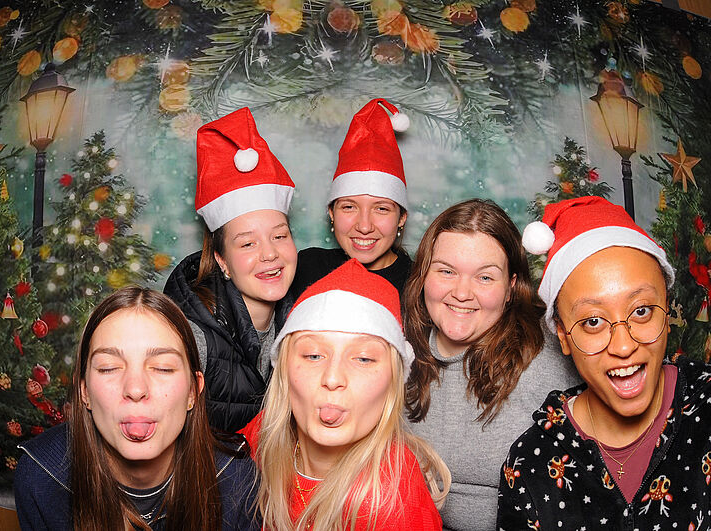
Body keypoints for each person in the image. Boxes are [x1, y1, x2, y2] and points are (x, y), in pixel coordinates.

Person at [498, 196, 711, 529]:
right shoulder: (530, 465)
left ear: (667, 310)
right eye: (593, 322)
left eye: (641, 311)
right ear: (563, 335)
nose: (624, 346)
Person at [14, 286, 260, 531]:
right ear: (85, 392)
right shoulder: (41, 477)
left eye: (163, 367)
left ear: (193, 391)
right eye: (108, 367)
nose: (135, 388)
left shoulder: (236, 479)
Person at [402, 199, 580, 531]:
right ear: (424, 275)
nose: (462, 293)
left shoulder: (550, 357)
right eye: (446, 271)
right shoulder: (397, 351)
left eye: (484, 277)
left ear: (511, 287)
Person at [242, 259, 450, 530]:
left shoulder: (396, 502)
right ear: (284, 371)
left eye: (363, 359)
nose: (332, 379)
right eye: (313, 355)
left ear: (393, 382)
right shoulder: (262, 436)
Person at [164, 107, 297, 432]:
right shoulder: (192, 339)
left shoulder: (302, 321)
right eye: (247, 243)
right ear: (221, 261)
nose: (270, 253)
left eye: (279, 236)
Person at [289, 98, 412, 300]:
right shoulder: (304, 269)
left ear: (402, 217)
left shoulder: (421, 286)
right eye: (349, 207)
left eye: (381, 209)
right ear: (331, 212)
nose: (364, 226)